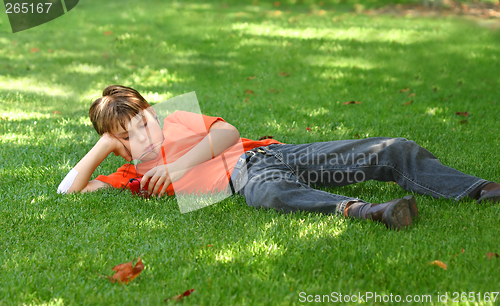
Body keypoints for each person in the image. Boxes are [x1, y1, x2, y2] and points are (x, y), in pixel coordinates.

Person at [58, 85, 500, 230]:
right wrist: (102, 147)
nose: (142, 137)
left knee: (393, 149)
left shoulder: (176, 122)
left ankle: (479, 188)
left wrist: (178, 165)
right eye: (125, 136)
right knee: (267, 193)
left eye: (141, 123)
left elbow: (227, 133)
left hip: (271, 153)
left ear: (152, 114)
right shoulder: (131, 174)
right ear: (115, 144)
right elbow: (70, 190)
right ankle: (366, 211)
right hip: (258, 179)